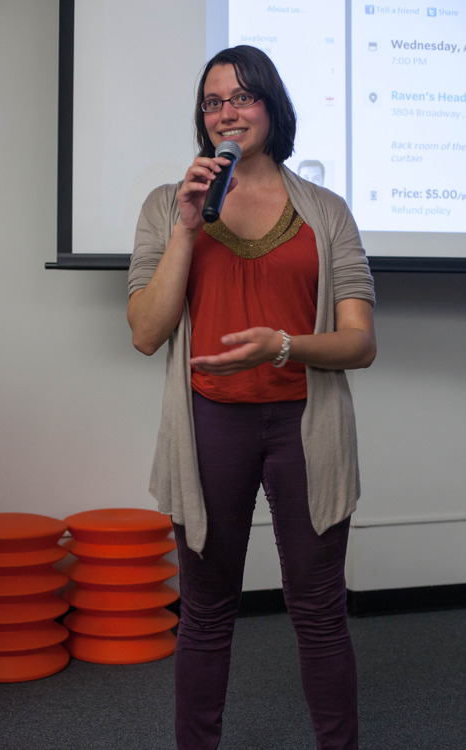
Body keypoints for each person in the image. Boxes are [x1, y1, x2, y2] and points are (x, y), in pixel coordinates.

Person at [127, 45, 376, 750]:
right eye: (213, 102)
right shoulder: (167, 206)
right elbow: (146, 332)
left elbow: (360, 343)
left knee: (319, 612)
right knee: (206, 612)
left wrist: (284, 346)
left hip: (306, 425)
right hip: (209, 422)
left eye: (242, 97)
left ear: (272, 105)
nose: (227, 113)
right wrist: (187, 226)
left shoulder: (326, 212)